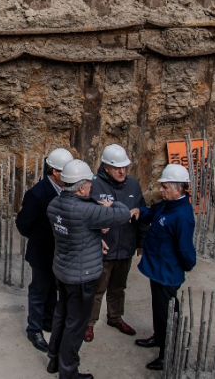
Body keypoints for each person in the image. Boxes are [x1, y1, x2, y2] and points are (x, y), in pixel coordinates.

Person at [46, 159, 135, 379]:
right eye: (89, 184)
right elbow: (124, 213)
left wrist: (94, 235)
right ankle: (69, 371)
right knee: (76, 324)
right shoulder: (87, 211)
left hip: (63, 270)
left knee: (61, 315)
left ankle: (54, 361)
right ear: (82, 187)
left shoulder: (54, 205)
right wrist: (109, 204)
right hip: (82, 276)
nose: (92, 187)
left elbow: (79, 232)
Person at [134, 164, 196, 371]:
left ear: (178, 189)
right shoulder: (166, 205)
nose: (161, 190)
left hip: (167, 272)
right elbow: (151, 213)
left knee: (167, 313)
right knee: (159, 309)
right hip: (157, 268)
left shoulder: (182, 215)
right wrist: (138, 211)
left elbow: (186, 250)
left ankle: (166, 353)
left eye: (165, 186)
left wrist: (186, 265)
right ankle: (158, 337)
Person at [85, 143, 147, 342]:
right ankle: (89, 323)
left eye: (124, 167)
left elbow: (141, 214)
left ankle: (115, 317)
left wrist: (140, 241)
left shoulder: (134, 185)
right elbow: (84, 217)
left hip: (125, 247)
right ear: (105, 167)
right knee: (97, 289)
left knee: (118, 287)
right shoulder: (93, 186)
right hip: (102, 249)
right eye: (117, 167)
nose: (122, 171)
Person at [16, 148, 74, 353]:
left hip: (60, 252)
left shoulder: (67, 190)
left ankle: (48, 321)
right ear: (55, 172)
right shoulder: (37, 194)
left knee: (53, 290)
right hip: (42, 252)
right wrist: (41, 237)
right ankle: (34, 329)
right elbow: (23, 225)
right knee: (39, 291)